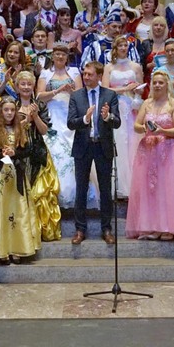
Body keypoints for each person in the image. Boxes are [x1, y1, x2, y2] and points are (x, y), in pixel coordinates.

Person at [126, 70, 174, 242]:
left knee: (168, 187)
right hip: (148, 150)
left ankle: (168, 227)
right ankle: (151, 225)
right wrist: (143, 129)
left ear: (167, 85)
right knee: (149, 188)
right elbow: (136, 124)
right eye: (154, 82)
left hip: (169, 150)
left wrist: (162, 131)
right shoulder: (146, 104)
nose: (157, 85)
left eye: (160, 83)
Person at [68, 61, 121, 245]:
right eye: (84, 74)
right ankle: (80, 229)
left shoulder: (110, 95)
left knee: (106, 190)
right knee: (81, 189)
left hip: (102, 146)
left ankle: (106, 228)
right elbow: (70, 123)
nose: (86, 77)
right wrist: (85, 119)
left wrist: (107, 117)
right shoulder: (76, 96)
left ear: (99, 76)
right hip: (83, 146)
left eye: (90, 74)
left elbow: (117, 122)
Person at [0, 97, 39, 264]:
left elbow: (28, 150)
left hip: (16, 176)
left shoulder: (20, 129)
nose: (9, 113)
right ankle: (1, 249)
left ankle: (17, 248)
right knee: (0, 211)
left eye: (12, 110)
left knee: (17, 211)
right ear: (1, 111)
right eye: (6, 110)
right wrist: (2, 154)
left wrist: (15, 154)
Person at [36, 44, 93, 210]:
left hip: (70, 113)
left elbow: (81, 95)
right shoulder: (46, 73)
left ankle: (76, 192)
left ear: (67, 57)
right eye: (57, 54)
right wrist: (58, 90)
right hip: (53, 115)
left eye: (63, 54)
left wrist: (71, 91)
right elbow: (39, 96)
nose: (60, 57)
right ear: (52, 57)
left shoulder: (74, 72)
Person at [16, 70, 61, 242]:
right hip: (18, 153)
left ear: (33, 86)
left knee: (39, 192)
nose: (26, 87)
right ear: (17, 86)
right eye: (23, 84)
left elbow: (44, 131)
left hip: (37, 152)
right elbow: (8, 129)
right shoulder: (11, 104)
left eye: (29, 84)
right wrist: (25, 121)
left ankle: (38, 230)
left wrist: (34, 117)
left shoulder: (40, 105)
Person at [102, 36, 144, 198]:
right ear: (115, 48)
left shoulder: (135, 66)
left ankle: (134, 184)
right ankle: (116, 184)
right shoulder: (109, 67)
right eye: (120, 45)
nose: (123, 48)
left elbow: (140, 88)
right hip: (116, 105)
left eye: (125, 45)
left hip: (131, 105)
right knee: (118, 140)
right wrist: (124, 88)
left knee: (132, 141)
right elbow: (105, 89)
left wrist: (136, 91)